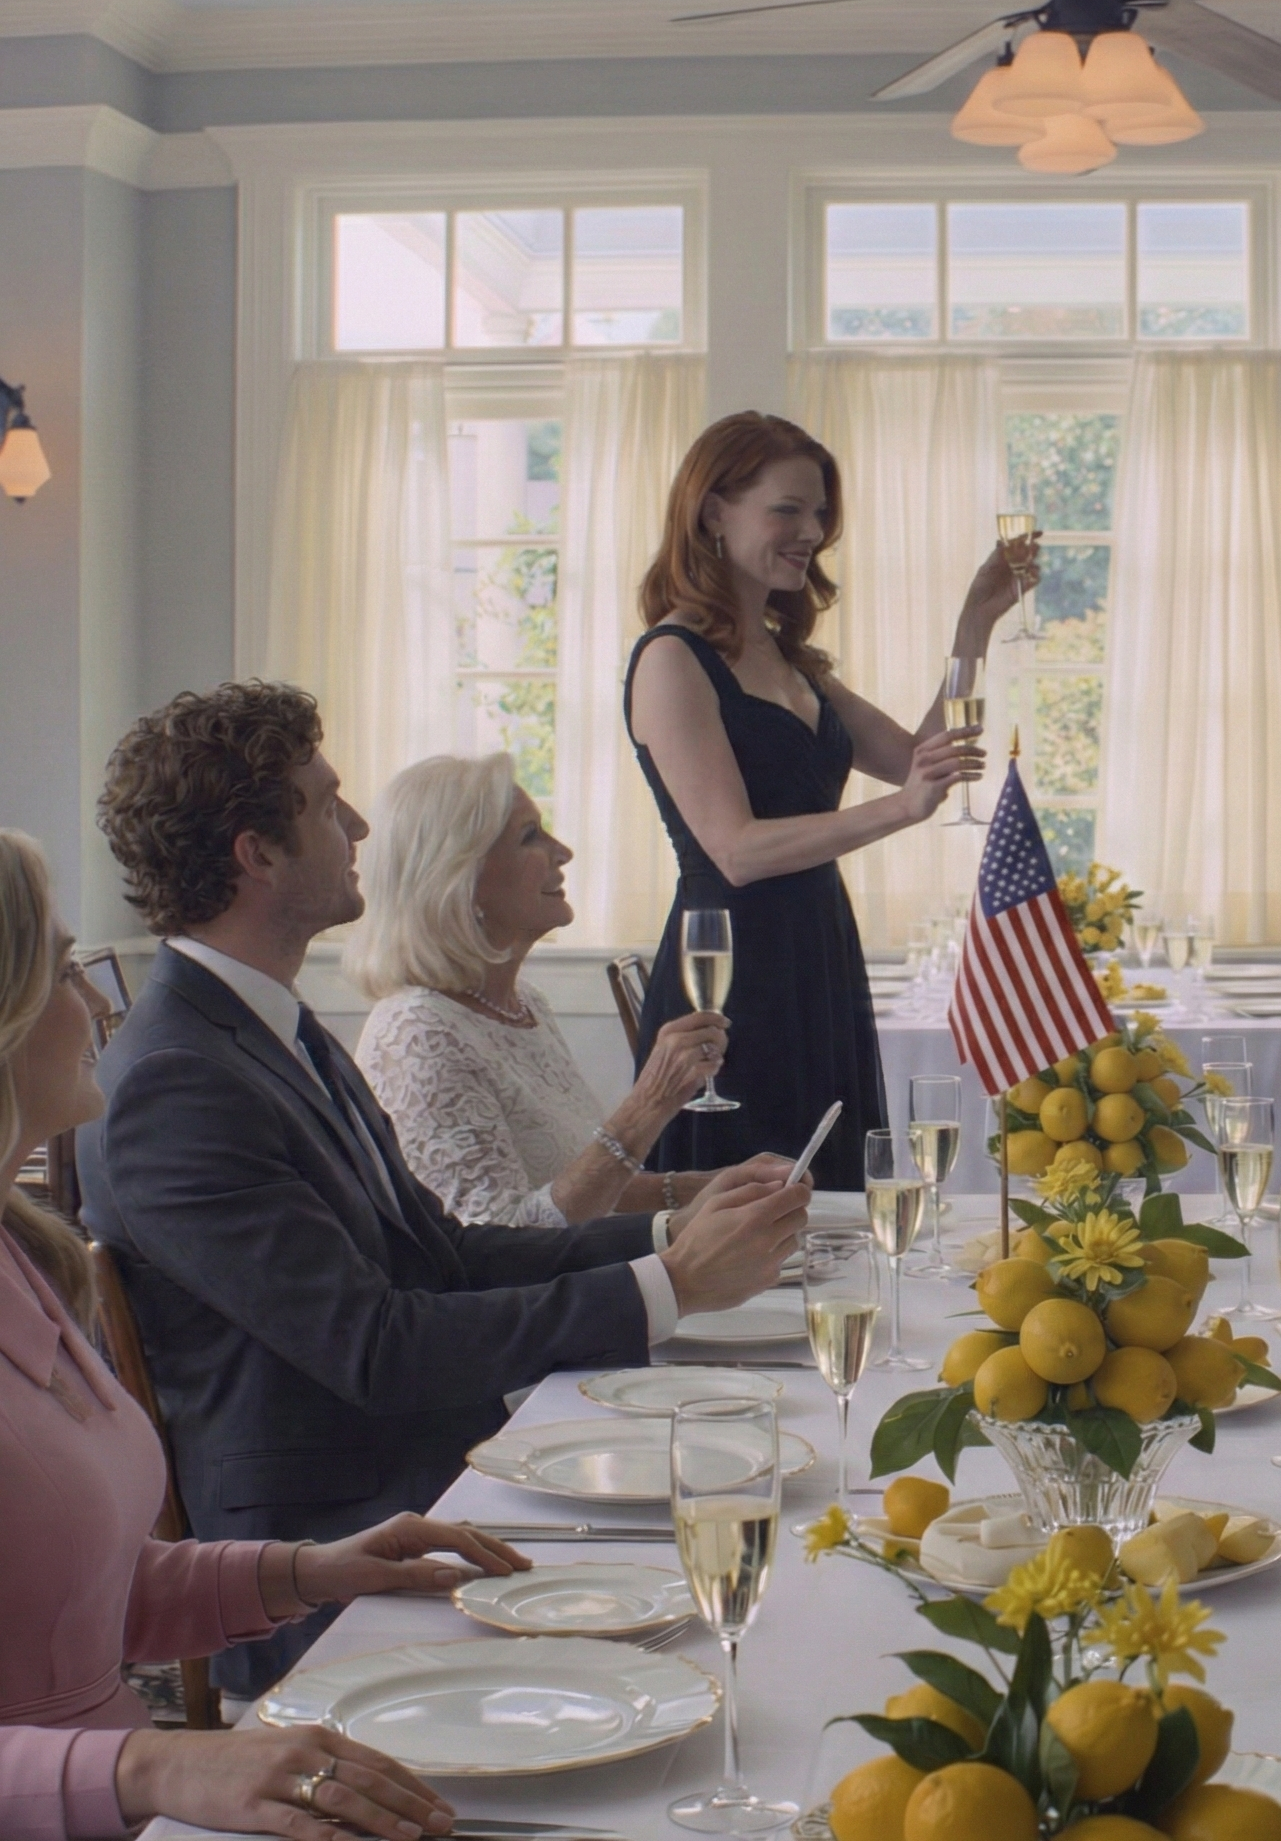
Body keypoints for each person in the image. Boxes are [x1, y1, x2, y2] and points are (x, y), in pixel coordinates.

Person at [76, 683, 810, 1697]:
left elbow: (448, 1254)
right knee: (746, 1587)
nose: (358, 828)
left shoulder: (265, 1027)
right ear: (257, 854)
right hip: (326, 1554)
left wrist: (667, 1242)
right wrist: (670, 1285)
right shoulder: (177, 1078)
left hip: (426, 1478)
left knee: (764, 1527)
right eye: (326, 804)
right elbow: (373, 1348)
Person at [0, 825, 529, 1841]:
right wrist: (152, 1763)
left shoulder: (24, 1254)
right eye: (64, 972)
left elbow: (66, 1591)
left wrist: (307, 1569)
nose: (100, 1004)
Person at [626, 410, 1032, 1188]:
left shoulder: (787, 658)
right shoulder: (672, 660)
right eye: (788, 510)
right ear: (712, 513)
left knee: (831, 1198)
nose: (812, 532)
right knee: (749, 1209)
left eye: (819, 513)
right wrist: (902, 810)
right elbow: (736, 852)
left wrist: (974, 625)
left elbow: (913, 759)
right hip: (732, 972)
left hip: (818, 950)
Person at [350, 752, 729, 1227]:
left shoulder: (524, 1004)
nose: (562, 852)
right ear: (459, 879)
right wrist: (648, 1106)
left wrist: (701, 1188)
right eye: (530, 836)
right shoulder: (419, 1033)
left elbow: (571, 1186)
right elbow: (501, 1241)